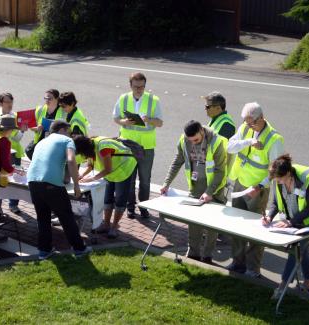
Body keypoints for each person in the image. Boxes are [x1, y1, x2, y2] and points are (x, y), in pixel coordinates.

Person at [226, 102, 284, 278]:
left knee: (255, 230)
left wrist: (259, 187)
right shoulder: (245, 128)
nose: (248, 125)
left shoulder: (274, 139)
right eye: (246, 122)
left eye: (252, 123)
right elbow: (230, 146)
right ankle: (237, 262)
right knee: (237, 227)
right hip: (240, 184)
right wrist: (248, 142)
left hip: (257, 191)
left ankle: (253, 268)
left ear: (262, 118)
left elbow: (276, 171)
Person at [160, 120, 228, 264]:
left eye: (196, 140)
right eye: (191, 140)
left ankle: (208, 255)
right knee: (194, 222)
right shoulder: (184, 140)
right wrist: (166, 183)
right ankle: (193, 253)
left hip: (214, 189)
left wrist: (210, 192)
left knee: (212, 224)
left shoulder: (216, 142)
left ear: (202, 131)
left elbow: (220, 171)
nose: (194, 143)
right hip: (195, 187)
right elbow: (177, 161)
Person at [264, 154, 309, 299]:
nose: (278, 182)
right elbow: (276, 202)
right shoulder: (279, 179)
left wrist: (291, 222)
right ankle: (308, 281)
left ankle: (282, 286)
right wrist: (269, 216)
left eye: (279, 179)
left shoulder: (308, 179)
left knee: (297, 247)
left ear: (288, 174)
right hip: (295, 222)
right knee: (302, 249)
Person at [27, 121, 92, 260]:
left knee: (42, 218)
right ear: (62, 130)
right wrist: (76, 185)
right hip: (51, 184)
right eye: (68, 131)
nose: (70, 135)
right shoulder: (66, 140)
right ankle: (79, 249)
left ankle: (44, 251)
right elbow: (71, 160)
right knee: (66, 216)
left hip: (32, 181)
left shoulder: (42, 141)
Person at [113, 72, 163, 219]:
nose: (139, 90)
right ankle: (130, 207)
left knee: (145, 180)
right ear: (130, 85)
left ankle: (144, 206)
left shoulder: (154, 100)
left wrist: (149, 120)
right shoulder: (123, 98)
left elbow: (160, 123)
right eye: (136, 87)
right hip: (127, 145)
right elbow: (115, 117)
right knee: (129, 178)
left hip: (146, 145)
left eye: (142, 87)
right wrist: (124, 122)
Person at [74, 135, 137, 239]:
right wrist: (81, 176)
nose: (82, 155)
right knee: (107, 198)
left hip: (124, 169)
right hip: (111, 171)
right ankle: (106, 224)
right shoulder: (90, 146)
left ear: (84, 148)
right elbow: (90, 165)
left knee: (120, 199)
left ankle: (114, 227)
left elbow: (108, 169)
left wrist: (92, 179)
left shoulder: (103, 147)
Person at [0, 92, 27, 214]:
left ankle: (13, 205)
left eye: (11, 102)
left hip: (14, 154)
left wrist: (22, 131)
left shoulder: (16, 116)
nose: (10, 105)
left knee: (15, 180)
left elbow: (17, 138)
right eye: (7, 102)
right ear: (0, 103)